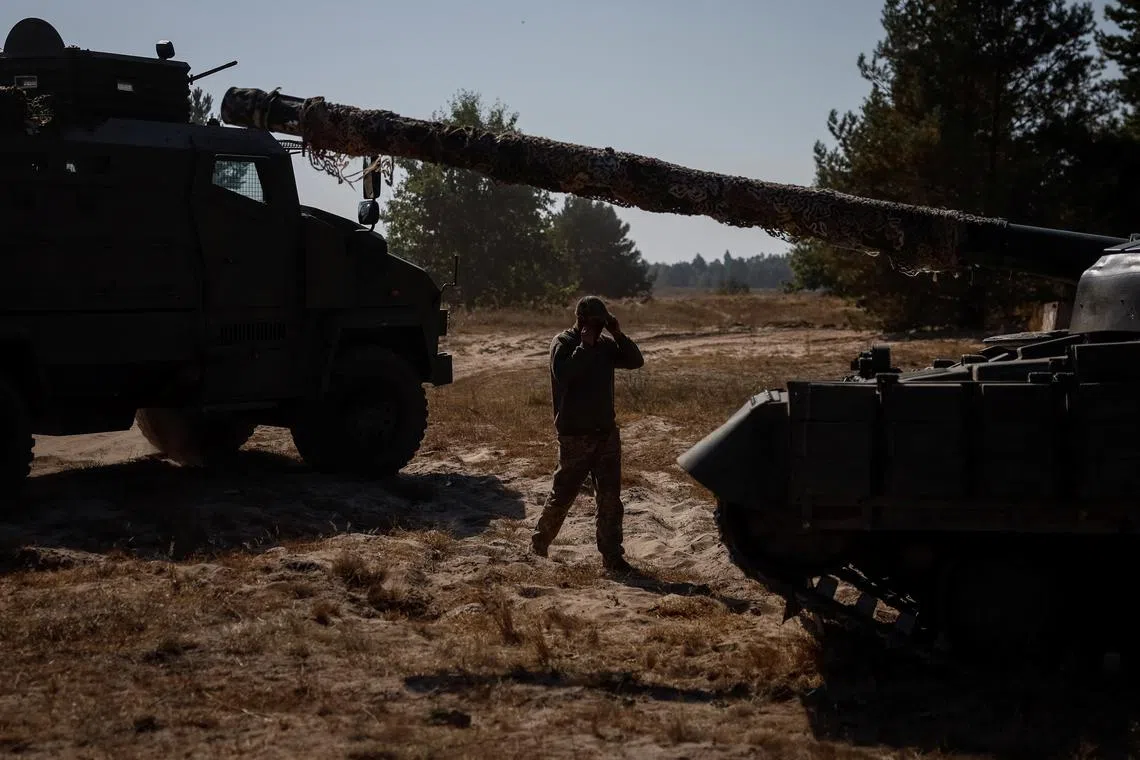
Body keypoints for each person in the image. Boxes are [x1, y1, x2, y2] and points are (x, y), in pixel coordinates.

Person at [531, 295, 644, 573]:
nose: (598, 328)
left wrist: (618, 334)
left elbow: (635, 360)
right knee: (562, 495)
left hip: (605, 433)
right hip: (575, 435)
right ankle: (539, 544)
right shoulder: (564, 343)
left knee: (610, 499)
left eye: (601, 324)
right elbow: (563, 375)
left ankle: (612, 557)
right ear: (581, 321)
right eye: (595, 323)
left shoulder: (606, 345)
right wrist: (584, 347)